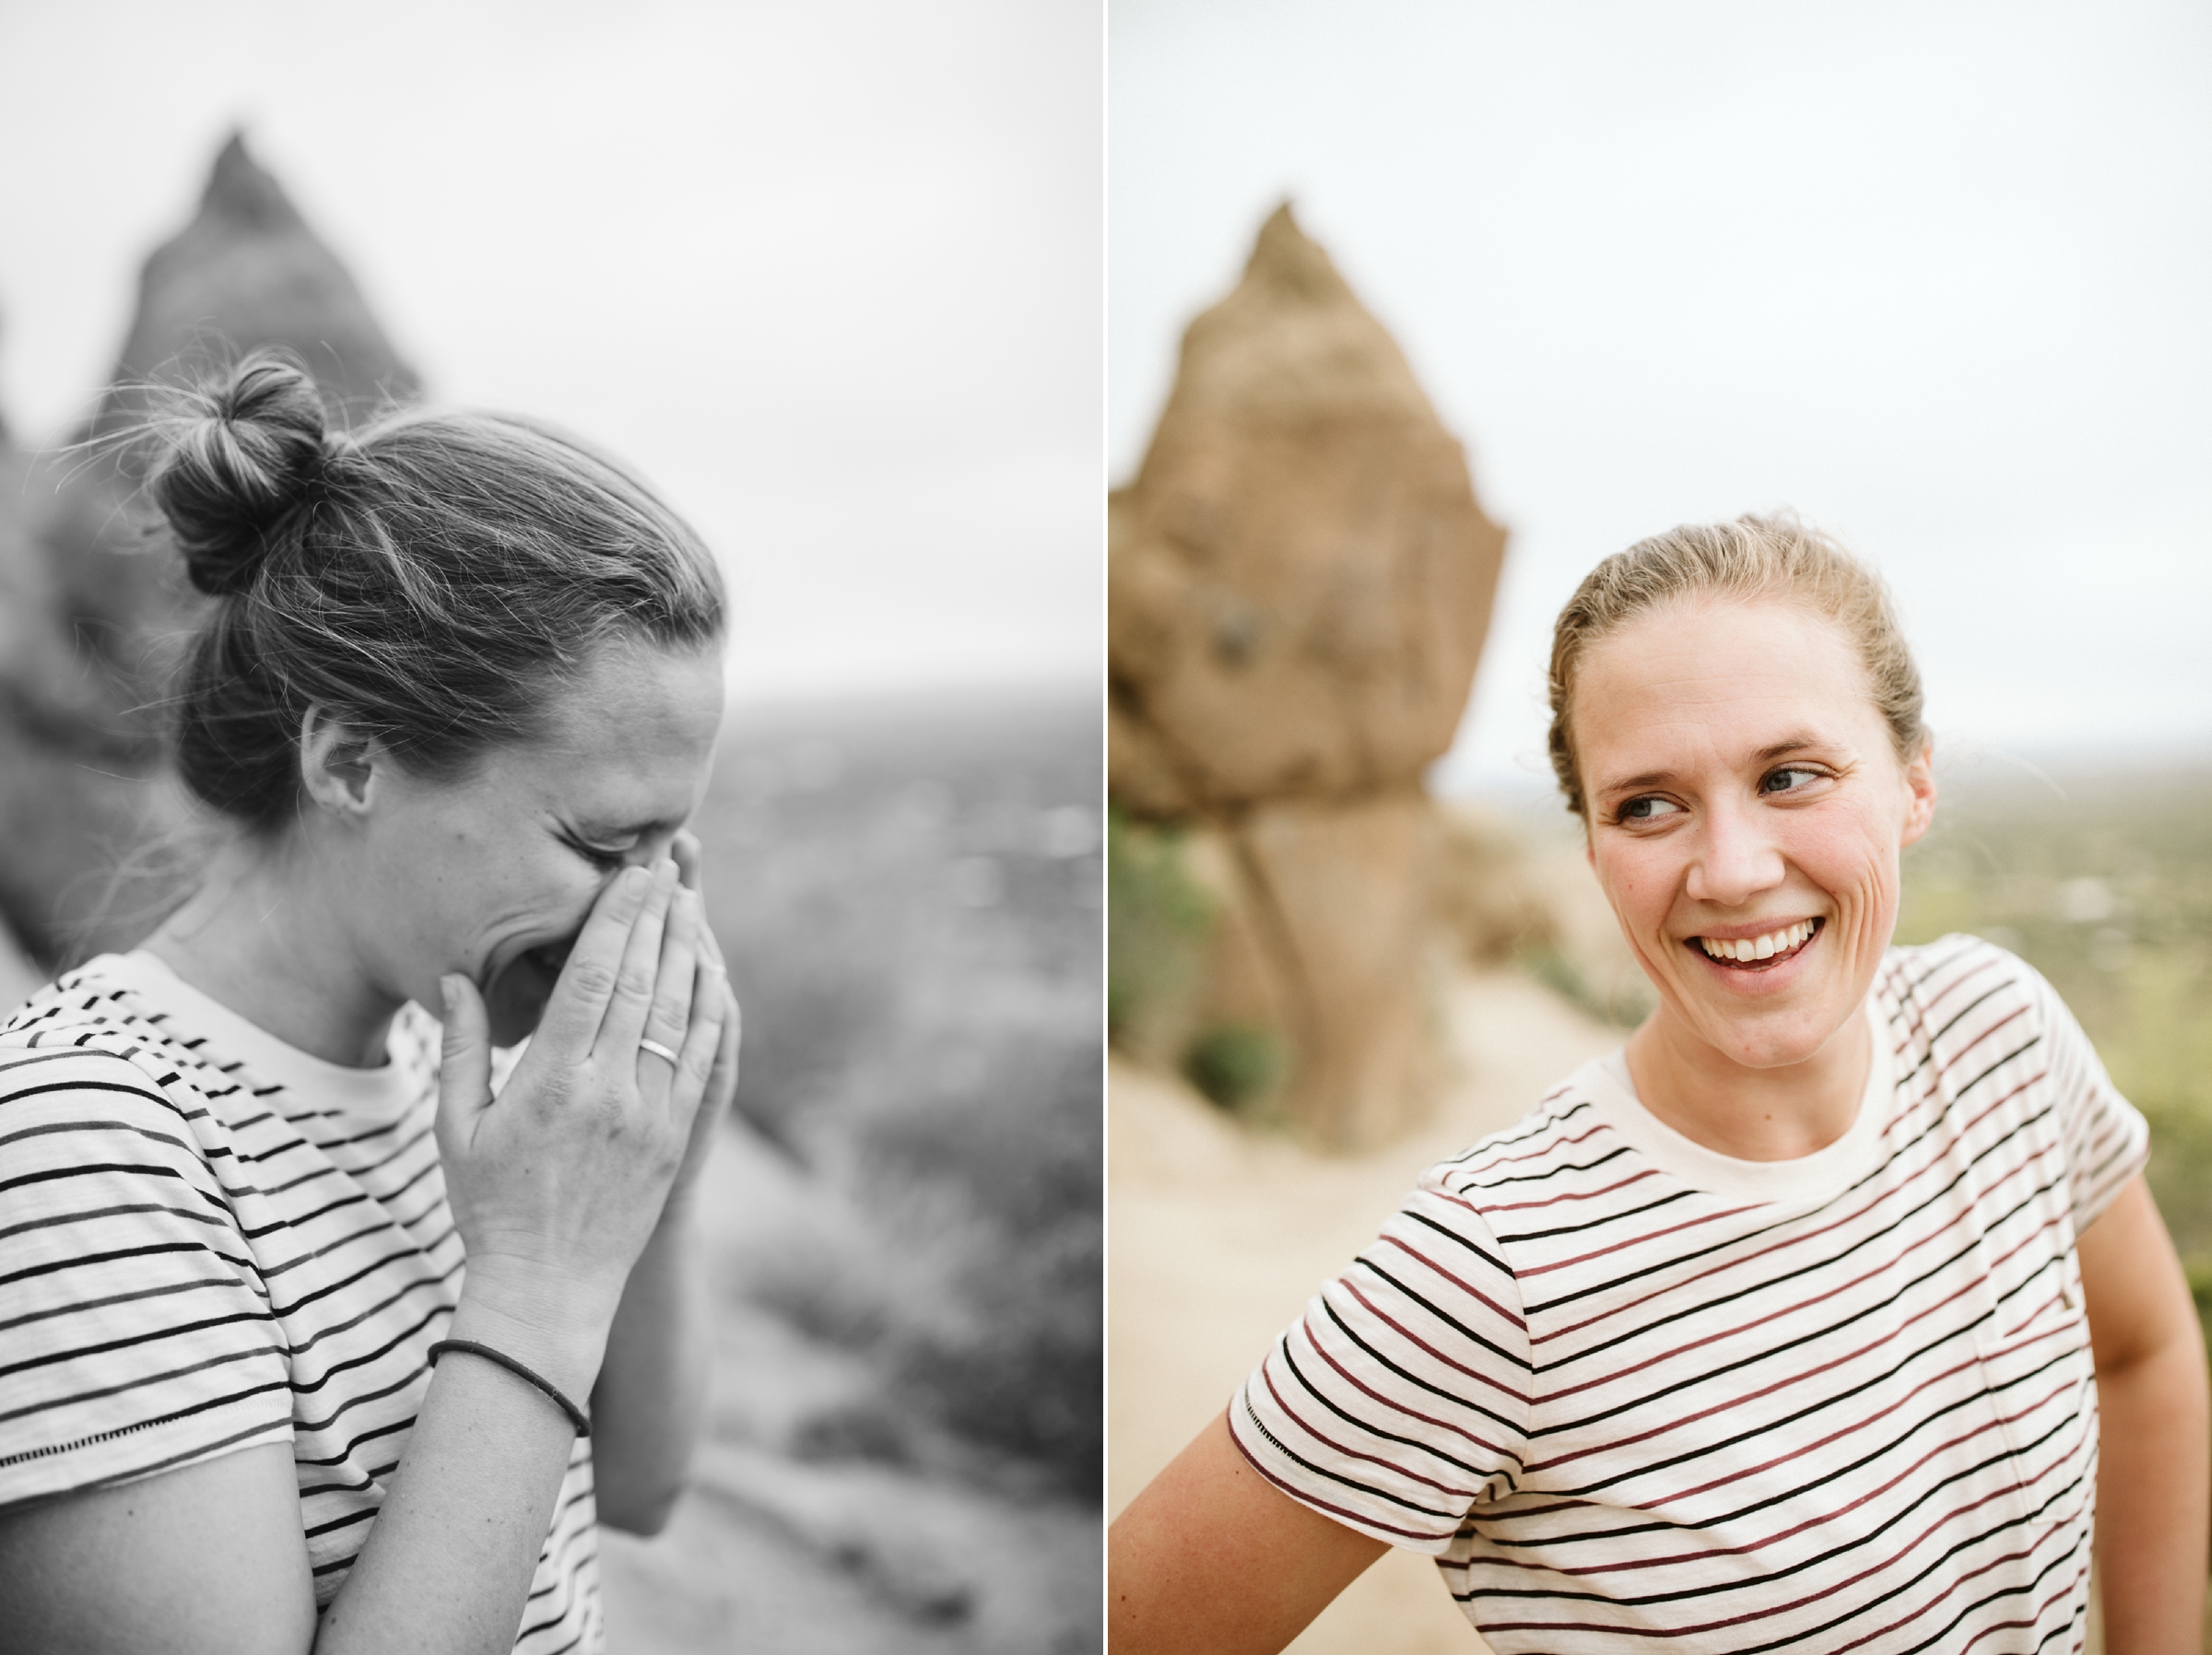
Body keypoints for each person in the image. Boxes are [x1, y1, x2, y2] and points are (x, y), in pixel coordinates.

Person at [1111, 516, 2211, 1653]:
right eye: (1647, 803)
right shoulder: (1495, 1265)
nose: (1732, 870)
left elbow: (2144, 1353)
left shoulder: (2003, 1038)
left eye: (1792, 776)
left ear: (1913, 781)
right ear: (1592, 845)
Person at [0, 352, 741, 1655]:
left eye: (671, 849)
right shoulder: (90, 1144)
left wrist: (655, 1175)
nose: (647, 911)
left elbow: (637, 1486)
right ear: (349, 760)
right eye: (599, 843)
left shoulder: (431, 1059)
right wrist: (530, 1281)